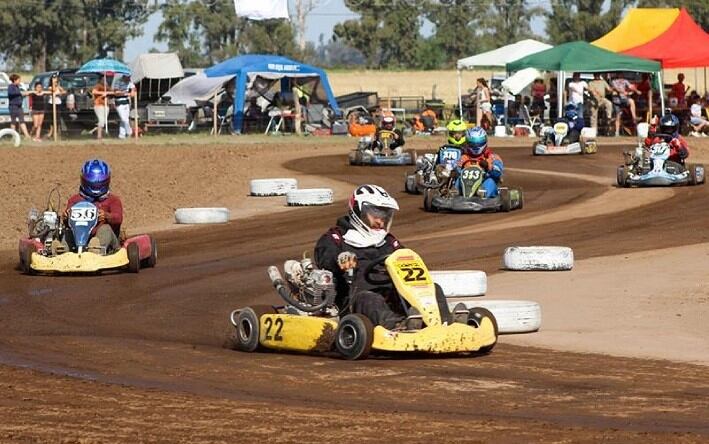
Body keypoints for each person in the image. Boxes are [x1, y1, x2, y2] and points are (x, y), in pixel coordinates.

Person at [313, 184, 449, 329]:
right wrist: (340, 259)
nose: (380, 221)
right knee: (369, 298)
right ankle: (397, 327)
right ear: (359, 211)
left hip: (393, 297)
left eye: (384, 216)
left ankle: (445, 324)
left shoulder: (388, 241)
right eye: (376, 215)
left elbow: (406, 260)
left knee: (434, 289)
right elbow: (324, 257)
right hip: (355, 301)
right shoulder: (336, 238)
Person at [64, 159, 123, 252]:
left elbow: (118, 218)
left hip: (108, 243)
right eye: (92, 185)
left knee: (105, 229)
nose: (96, 188)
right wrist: (66, 216)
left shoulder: (112, 200)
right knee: (67, 231)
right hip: (78, 237)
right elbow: (67, 221)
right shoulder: (75, 200)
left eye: (99, 185)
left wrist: (106, 216)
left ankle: (95, 249)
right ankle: (62, 250)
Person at [457, 127, 504, 198]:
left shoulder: (492, 157)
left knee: (490, 181)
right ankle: (453, 193)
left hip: (483, 182)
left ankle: (483, 194)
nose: (476, 147)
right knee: (458, 179)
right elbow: (457, 169)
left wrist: (488, 166)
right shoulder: (464, 157)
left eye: (479, 143)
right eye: (473, 144)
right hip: (466, 184)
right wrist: (455, 171)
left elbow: (498, 173)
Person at [7, 74, 31, 140]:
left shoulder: (17, 87)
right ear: (14, 80)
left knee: (22, 121)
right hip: (13, 106)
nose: (20, 81)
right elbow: (11, 93)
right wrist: (21, 93)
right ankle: (13, 136)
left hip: (19, 106)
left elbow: (17, 95)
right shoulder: (10, 87)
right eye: (18, 80)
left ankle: (27, 135)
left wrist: (23, 95)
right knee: (13, 122)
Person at [114, 74, 135, 139]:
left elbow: (133, 88)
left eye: (129, 77)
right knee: (124, 119)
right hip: (119, 102)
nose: (129, 78)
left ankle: (121, 135)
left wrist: (132, 91)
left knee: (124, 119)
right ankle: (130, 132)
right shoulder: (118, 81)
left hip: (126, 102)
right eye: (128, 77)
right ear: (124, 76)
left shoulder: (130, 82)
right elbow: (116, 92)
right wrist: (124, 93)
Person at [45, 75, 67, 140]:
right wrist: (53, 84)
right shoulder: (50, 87)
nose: (55, 80)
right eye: (54, 78)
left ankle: (57, 133)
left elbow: (64, 91)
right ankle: (51, 132)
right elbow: (53, 90)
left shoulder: (59, 86)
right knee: (52, 119)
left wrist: (60, 90)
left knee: (57, 119)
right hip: (51, 104)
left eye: (56, 79)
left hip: (58, 104)